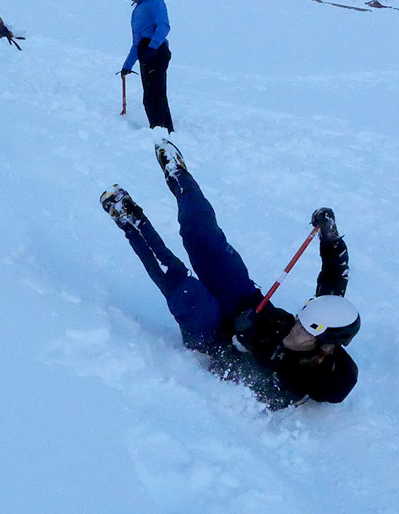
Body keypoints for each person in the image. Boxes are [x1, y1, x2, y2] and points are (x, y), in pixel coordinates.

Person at [100, 140, 359, 409]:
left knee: (186, 290)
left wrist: (241, 344)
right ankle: (179, 177)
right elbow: (334, 278)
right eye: (301, 319)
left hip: (214, 337)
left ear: (319, 349)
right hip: (249, 305)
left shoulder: (286, 386)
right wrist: (330, 237)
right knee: (206, 243)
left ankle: (129, 219)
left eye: (304, 329)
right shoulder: (326, 324)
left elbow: (232, 374)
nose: (296, 324)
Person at [121, 0, 174, 133]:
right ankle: (162, 130)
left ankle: (161, 131)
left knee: (154, 94)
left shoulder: (154, 1)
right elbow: (136, 42)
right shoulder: (137, 9)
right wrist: (127, 65)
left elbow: (164, 25)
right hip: (146, 52)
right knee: (151, 95)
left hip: (156, 52)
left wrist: (153, 47)